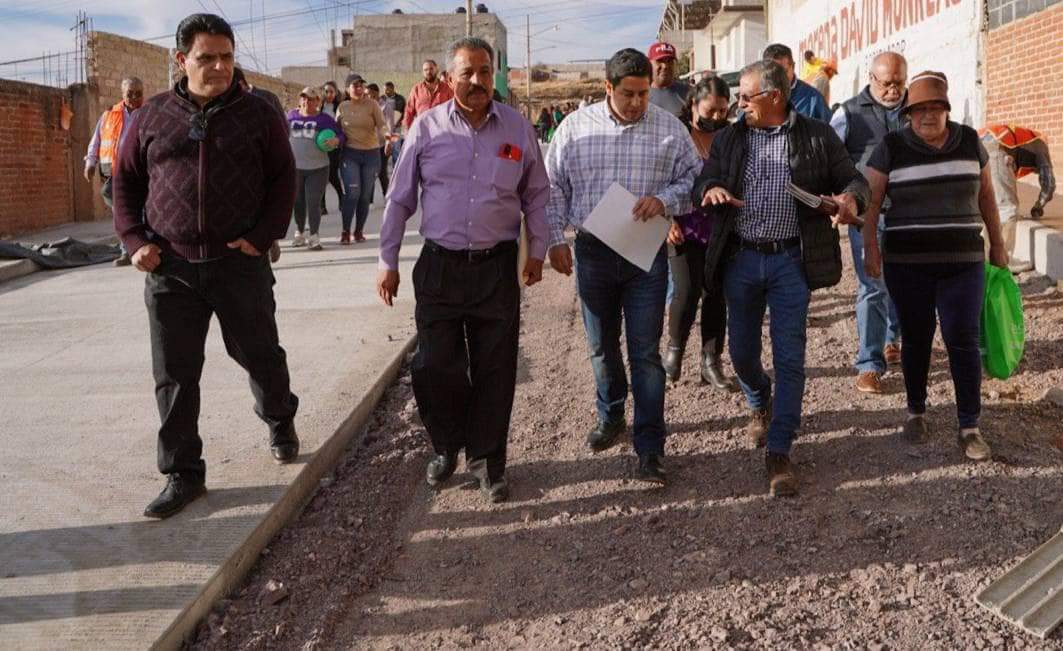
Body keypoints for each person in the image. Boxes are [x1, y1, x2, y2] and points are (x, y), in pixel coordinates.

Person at [112, 13, 299, 519]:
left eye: (226, 57)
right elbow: (125, 183)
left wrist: (262, 238)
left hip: (238, 264)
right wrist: (134, 240)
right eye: (206, 57)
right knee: (173, 374)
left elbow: (284, 179)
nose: (218, 67)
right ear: (181, 60)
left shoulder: (259, 113)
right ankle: (183, 473)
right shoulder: (150, 117)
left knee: (259, 353)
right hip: (169, 268)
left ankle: (280, 418)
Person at [377, 37, 550, 503]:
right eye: (467, 72)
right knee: (435, 366)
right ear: (449, 78)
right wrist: (387, 259)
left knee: (496, 368)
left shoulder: (516, 127)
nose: (477, 81)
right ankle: (446, 446)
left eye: (485, 71)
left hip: (496, 269)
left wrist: (538, 249)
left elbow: (536, 192)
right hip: (440, 268)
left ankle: (488, 461)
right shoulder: (427, 129)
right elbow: (399, 199)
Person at [692, 59, 869, 497]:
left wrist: (850, 198)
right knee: (742, 355)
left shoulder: (817, 135)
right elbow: (706, 179)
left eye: (745, 97)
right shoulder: (732, 137)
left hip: (792, 261)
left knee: (791, 358)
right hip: (743, 260)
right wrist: (710, 190)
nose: (739, 104)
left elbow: (854, 178)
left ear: (774, 97)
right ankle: (759, 399)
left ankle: (779, 448)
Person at [546, 48, 701, 486]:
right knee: (600, 345)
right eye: (628, 94)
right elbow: (553, 185)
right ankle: (611, 414)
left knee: (645, 353)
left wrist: (666, 200)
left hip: (646, 255)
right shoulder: (575, 129)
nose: (637, 103)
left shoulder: (670, 130)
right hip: (593, 252)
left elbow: (696, 179)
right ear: (607, 88)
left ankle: (650, 446)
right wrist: (556, 239)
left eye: (644, 94)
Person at [862, 71, 1009, 462]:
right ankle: (916, 411)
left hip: (964, 264)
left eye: (935, 108)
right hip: (907, 264)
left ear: (946, 109)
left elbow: (988, 196)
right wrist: (870, 249)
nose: (927, 116)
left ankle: (969, 425)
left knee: (962, 338)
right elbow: (872, 202)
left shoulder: (970, 142)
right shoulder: (891, 146)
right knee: (916, 338)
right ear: (908, 114)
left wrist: (998, 244)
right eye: (919, 110)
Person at [831, 52, 907, 394]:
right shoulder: (848, 113)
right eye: (886, 83)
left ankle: (892, 339)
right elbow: (831, 158)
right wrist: (841, 198)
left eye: (899, 82)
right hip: (866, 215)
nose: (894, 90)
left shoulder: (915, 109)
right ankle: (869, 364)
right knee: (873, 285)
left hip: (908, 213)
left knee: (902, 282)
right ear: (872, 79)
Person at [663, 76, 735, 389]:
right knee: (687, 289)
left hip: (721, 227)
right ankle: (674, 350)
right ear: (693, 104)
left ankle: (711, 360)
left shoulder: (730, 137)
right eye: (710, 110)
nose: (717, 117)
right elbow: (657, 181)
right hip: (682, 227)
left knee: (716, 293)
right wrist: (666, 220)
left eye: (723, 111)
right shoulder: (674, 137)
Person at [84, 76, 145, 266]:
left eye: (139, 94)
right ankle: (126, 251)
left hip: (143, 173)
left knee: (145, 212)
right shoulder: (109, 115)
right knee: (121, 213)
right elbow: (96, 141)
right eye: (130, 94)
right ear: (122, 94)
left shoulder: (150, 113)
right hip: (116, 174)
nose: (134, 97)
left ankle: (144, 247)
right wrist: (90, 163)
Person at [979, 124, 1056, 260]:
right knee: (1008, 208)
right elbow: (1049, 184)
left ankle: (985, 259)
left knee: (988, 206)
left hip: (980, 151)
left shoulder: (1020, 143)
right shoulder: (1041, 146)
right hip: (996, 152)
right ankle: (1004, 260)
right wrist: (1038, 206)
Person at [233, 67, 285, 263]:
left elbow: (282, 129)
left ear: (240, 84)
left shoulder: (267, 99)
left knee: (262, 202)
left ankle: (268, 239)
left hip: (263, 164)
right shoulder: (226, 101)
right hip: (236, 166)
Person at [287, 86, 343, 251]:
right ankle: (299, 232)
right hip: (295, 168)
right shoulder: (291, 116)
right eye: (303, 98)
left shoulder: (324, 119)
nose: (306, 101)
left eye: (310, 98)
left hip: (318, 167)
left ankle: (314, 236)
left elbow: (341, 134)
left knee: (313, 202)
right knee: (298, 202)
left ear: (318, 101)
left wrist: (336, 141)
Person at [336, 73, 389, 244]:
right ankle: (345, 231)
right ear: (347, 88)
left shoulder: (372, 105)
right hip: (350, 154)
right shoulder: (342, 107)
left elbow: (381, 125)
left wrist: (387, 138)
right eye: (355, 86)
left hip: (371, 155)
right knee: (353, 193)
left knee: (365, 196)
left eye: (361, 85)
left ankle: (358, 231)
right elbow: (335, 130)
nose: (359, 89)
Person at [762, 43, 831, 122]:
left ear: (793, 67)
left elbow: (829, 131)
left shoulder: (813, 99)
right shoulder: (754, 98)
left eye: (784, 72)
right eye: (774, 73)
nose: (779, 77)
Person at [403, 59, 453, 130]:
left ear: (437, 69)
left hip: (442, 131)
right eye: (425, 70)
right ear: (423, 72)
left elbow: (453, 110)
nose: (428, 72)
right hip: (422, 131)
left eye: (431, 69)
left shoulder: (447, 88)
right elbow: (409, 111)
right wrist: (407, 131)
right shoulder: (416, 90)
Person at [320, 80, 346, 215]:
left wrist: (338, 140)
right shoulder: (319, 107)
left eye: (331, 91)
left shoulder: (340, 108)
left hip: (334, 146)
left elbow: (343, 128)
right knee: (321, 176)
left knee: (331, 175)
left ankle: (342, 198)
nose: (329, 94)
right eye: (326, 91)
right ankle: (322, 206)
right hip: (319, 146)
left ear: (336, 93)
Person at [367, 83, 396, 199]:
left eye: (369, 94)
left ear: (376, 93)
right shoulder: (366, 106)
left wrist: (389, 142)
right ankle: (369, 200)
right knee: (370, 173)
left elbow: (390, 126)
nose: (367, 96)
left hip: (382, 144)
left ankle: (387, 196)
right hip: (369, 144)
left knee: (381, 172)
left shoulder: (386, 107)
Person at [647, 41, 689, 118]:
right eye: (659, 61)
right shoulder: (640, 95)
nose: (665, 66)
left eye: (669, 61)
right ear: (649, 64)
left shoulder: (688, 93)